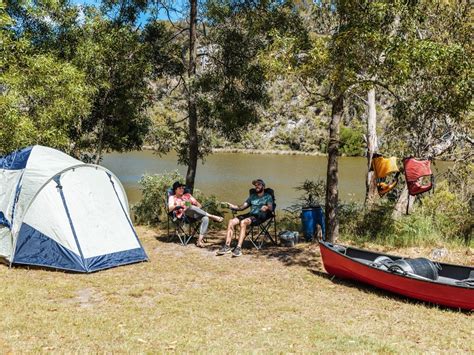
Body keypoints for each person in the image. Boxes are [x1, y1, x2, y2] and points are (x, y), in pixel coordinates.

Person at [216, 178, 273, 257]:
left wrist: (266, 207)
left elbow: (271, 208)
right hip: (250, 214)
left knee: (243, 222)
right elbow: (241, 207)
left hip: (259, 216)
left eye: (259, 184)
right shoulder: (252, 196)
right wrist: (231, 206)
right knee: (231, 221)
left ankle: (238, 248)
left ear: (263, 186)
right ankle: (227, 246)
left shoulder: (268, 196)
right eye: (255, 185)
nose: (257, 186)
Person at [168, 181, 223, 247]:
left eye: (183, 188)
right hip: (183, 216)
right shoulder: (172, 197)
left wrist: (189, 204)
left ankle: (199, 241)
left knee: (205, 218)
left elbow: (199, 205)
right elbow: (170, 208)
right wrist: (179, 204)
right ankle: (212, 216)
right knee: (191, 207)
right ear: (175, 190)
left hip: (194, 214)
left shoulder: (188, 195)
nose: (182, 189)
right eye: (180, 188)